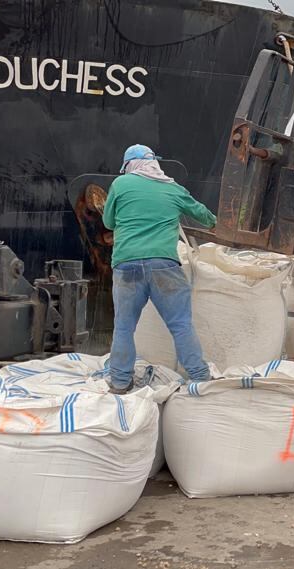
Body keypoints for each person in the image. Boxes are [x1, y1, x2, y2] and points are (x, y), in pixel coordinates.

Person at [102, 144, 217, 394]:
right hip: (165, 266)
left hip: (127, 266)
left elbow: (108, 221)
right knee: (181, 325)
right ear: (154, 163)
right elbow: (207, 218)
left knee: (124, 327)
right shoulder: (173, 188)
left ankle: (121, 382)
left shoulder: (121, 185)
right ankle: (199, 377)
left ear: (128, 167)